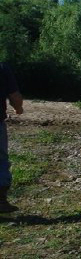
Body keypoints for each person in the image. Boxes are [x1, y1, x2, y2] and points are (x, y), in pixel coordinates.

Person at [0, 62, 23, 213]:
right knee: (0, 161)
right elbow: (14, 96)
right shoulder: (2, 68)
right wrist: (18, 108)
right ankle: (0, 201)